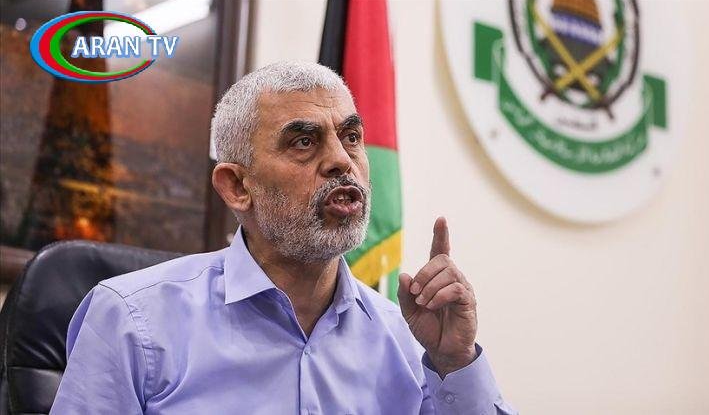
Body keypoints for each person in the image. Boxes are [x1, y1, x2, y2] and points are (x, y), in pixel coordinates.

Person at [50, 61, 517, 414]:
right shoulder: (133, 321)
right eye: (303, 142)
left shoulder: (411, 342)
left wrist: (455, 361)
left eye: (351, 137)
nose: (342, 161)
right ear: (237, 186)